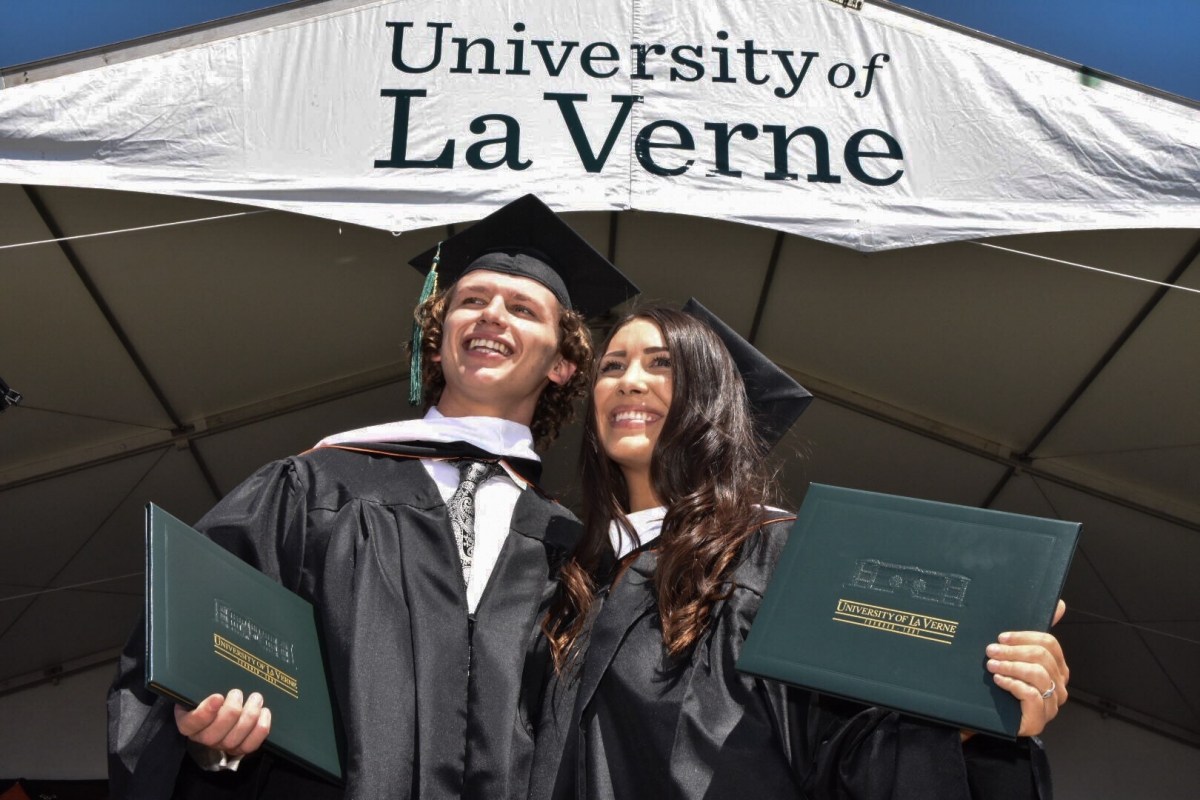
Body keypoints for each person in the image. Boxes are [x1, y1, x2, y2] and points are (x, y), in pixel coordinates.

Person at [107, 194, 638, 800]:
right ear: (437, 345)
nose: (492, 315)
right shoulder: (315, 486)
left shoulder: (574, 549)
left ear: (564, 365)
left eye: (522, 308)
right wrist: (205, 741)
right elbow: (182, 655)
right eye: (471, 301)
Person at [535, 301, 1069, 800]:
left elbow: (847, 751)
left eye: (661, 363)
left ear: (710, 397)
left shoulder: (769, 556)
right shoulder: (569, 577)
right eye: (611, 367)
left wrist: (978, 718)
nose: (629, 382)